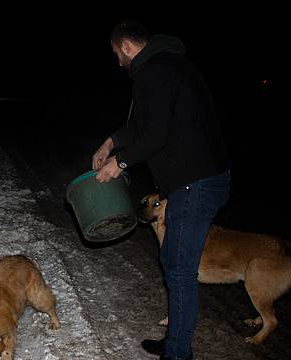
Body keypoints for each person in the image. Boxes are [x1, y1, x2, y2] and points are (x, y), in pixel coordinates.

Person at [92, 20, 231, 360]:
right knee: (172, 260)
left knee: (181, 270)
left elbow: (156, 134)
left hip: (196, 182)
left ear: (126, 46)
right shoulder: (165, 66)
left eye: (116, 54)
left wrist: (118, 163)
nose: (117, 62)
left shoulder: (156, 70)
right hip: (194, 181)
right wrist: (110, 142)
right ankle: (175, 342)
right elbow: (143, 124)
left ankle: (178, 353)